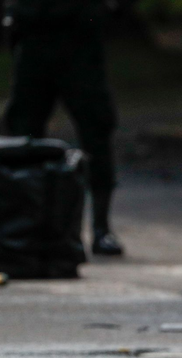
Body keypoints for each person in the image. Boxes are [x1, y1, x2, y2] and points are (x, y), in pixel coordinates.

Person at [3, 0, 124, 255]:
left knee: (96, 130)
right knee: (22, 135)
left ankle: (101, 227)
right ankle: (18, 229)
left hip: (80, 38)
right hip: (33, 33)